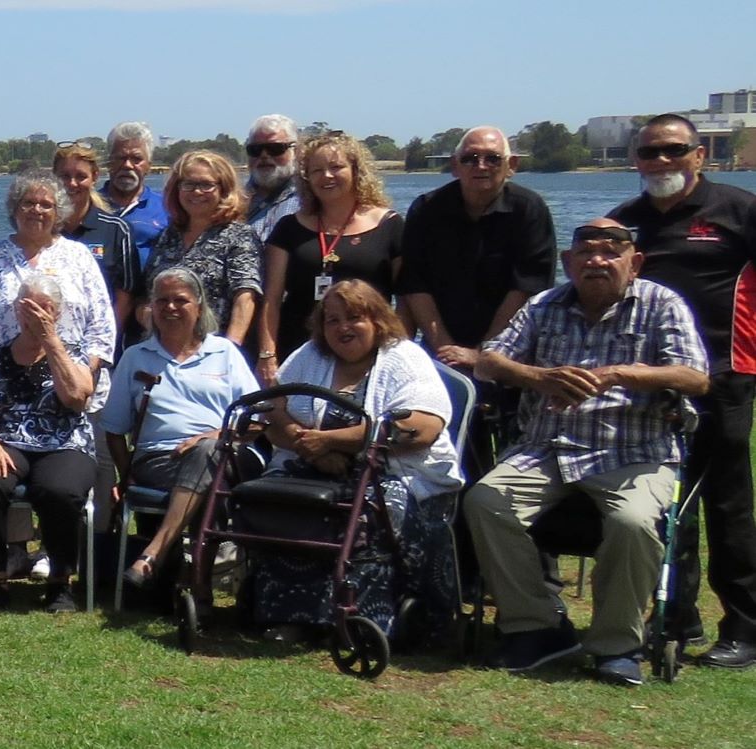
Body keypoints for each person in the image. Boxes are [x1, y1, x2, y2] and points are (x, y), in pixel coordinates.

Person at [467, 220, 706, 685]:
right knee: (485, 501)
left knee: (632, 521)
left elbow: (695, 378)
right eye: (587, 253)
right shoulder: (545, 304)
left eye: (611, 252)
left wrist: (622, 373)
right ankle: (536, 627)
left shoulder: (663, 305)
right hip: (547, 446)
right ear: (568, 263)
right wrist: (540, 377)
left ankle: (617, 644)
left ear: (634, 263)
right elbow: (489, 359)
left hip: (634, 449)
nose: (597, 261)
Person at [611, 113, 756, 668]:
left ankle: (744, 624)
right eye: (650, 152)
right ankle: (677, 615)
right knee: (669, 499)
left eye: (674, 150)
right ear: (637, 160)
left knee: (728, 503)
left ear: (700, 155)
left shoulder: (738, 211)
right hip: (652, 382)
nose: (662, 162)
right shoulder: (626, 222)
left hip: (725, 375)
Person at [254, 279, 462, 639]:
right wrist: (315, 453)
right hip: (316, 469)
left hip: (395, 473)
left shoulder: (404, 359)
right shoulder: (310, 356)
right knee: (282, 502)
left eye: (353, 318)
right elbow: (273, 413)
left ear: (378, 321)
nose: (342, 328)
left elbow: (422, 428)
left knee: (371, 509)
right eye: (332, 320)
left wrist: (329, 441)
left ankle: (363, 618)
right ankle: (291, 614)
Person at [0, 275, 105, 613]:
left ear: (58, 312)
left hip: (65, 443)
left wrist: (50, 340)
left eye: (45, 308)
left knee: (59, 490)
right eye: (29, 307)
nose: (36, 315)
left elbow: (77, 399)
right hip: (7, 442)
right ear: (15, 310)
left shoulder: (76, 353)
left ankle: (60, 581)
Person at [106, 268, 260, 587]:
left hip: (226, 452)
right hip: (158, 460)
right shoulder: (136, 356)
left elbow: (256, 418)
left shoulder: (225, 352)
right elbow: (113, 428)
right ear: (151, 308)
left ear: (199, 307)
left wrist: (215, 435)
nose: (171, 308)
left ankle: (154, 554)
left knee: (208, 452)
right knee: (209, 477)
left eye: (181, 300)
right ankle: (199, 587)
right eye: (162, 301)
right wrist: (127, 473)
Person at [399, 126, 559, 374]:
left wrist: (483, 352)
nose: (481, 166)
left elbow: (527, 287)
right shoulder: (426, 210)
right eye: (470, 158)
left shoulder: (529, 210)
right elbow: (414, 286)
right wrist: (445, 349)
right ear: (455, 165)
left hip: (513, 353)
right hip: (438, 353)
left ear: (512, 165)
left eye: (493, 158)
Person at [257, 131, 402, 383]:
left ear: (356, 170)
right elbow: (271, 299)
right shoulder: (289, 228)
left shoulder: (389, 224)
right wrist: (268, 355)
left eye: (336, 167)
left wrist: (400, 351)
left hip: (368, 352)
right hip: (301, 350)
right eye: (316, 170)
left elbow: (406, 301)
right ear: (307, 178)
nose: (326, 176)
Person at [0, 172, 115, 384]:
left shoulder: (78, 256)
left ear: (58, 213)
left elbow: (102, 322)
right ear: (15, 208)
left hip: (70, 383)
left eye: (46, 205)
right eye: (28, 203)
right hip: (3, 384)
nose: (37, 210)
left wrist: (86, 370)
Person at [142, 150, 261, 341]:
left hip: (213, 350)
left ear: (223, 189)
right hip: (162, 350)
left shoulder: (239, 236)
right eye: (189, 184)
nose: (197, 192)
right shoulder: (168, 235)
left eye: (206, 185)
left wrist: (229, 351)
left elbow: (245, 297)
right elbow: (147, 296)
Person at [52, 142, 138, 330]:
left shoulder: (117, 230)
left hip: (100, 345)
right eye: (64, 176)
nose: (72, 184)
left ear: (95, 177)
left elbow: (125, 298)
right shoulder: (45, 230)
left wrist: (101, 342)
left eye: (81, 176)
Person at [99, 122, 167, 267]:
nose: (127, 165)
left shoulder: (167, 209)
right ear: (109, 162)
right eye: (121, 158)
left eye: (136, 159)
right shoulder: (89, 207)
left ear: (148, 165)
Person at [243, 114, 303, 242]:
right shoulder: (231, 200)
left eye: (275, 149)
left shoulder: (311, 197)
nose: (264, 155)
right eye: (255, 150)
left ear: (296, 151)